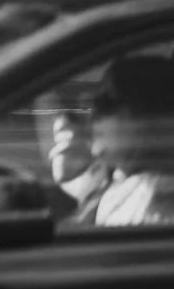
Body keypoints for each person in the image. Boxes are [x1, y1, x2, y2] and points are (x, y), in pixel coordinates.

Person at [56, 54, 174, 227]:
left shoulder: (158, 206)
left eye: (107, 103)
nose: (93, 113)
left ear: (152, 119)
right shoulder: (117, 177)